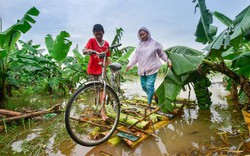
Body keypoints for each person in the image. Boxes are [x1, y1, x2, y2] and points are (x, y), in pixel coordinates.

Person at [126, 27, 172, 111]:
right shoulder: (139, 45)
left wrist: (168, 60)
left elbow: (161, 54)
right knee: (144, 87)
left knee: (149, 86)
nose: (142, 36)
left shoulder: (154, 44)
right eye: (140, 35)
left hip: (152, 68)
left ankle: (149, 105)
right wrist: (129, 65)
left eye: (143, 34)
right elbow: (135, 57)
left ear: (147, 33)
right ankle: (154, 94)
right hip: (142, 70)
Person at [82, 24, 110, 121]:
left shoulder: (106, 44)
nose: (98, 36)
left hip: (102, 70)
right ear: (94, 34)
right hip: (92, 70)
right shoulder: (91, 41)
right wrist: (89, 50)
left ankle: (102, 111)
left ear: (103, 33)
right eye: (96, 34)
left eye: (100, 34)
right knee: (96, 90)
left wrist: (108, 66)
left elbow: (108, 57)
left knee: (102, 90)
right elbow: (84, 51)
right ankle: (98, 107)